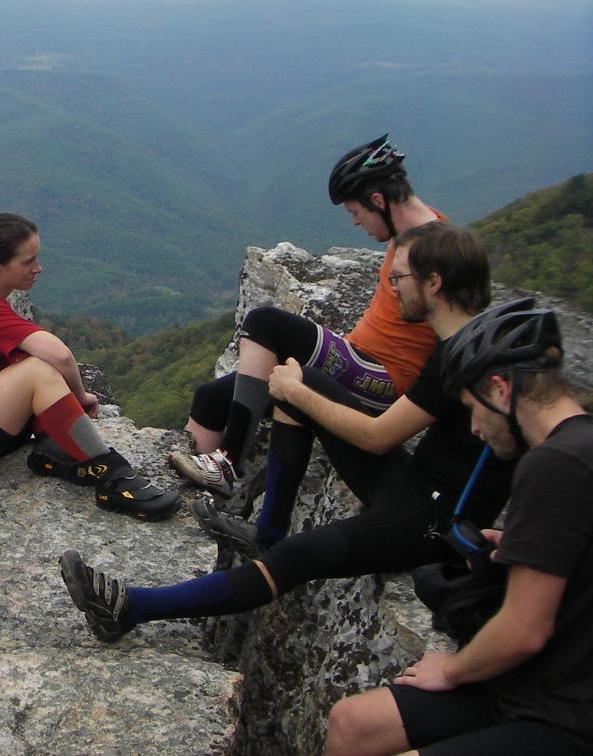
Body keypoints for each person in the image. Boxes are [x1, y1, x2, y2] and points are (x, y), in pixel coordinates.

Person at [60, 223, 513, 641]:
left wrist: (297, 394)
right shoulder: (468, 342)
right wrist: (297, 389)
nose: (392, 291)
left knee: (297, 557)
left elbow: (379, 437)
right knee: (300, 379)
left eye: (399, 280)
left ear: (434, 282)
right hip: (419, 483)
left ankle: (132, 608)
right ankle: (269, 529)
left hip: (433, 518)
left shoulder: (461, 358)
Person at [325, 300, 592, 755]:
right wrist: (518, 545)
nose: (474, 427)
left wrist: (451, 670)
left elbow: (524, 629)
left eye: (472, 407)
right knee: (352, 723)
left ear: (499, 387)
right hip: (538, 680)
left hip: (566, 709)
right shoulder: (577, 447)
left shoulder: (553, 464)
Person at [176, 133, 445, 494]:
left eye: (355, 211)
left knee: (264, 322)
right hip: (361, 360)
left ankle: (226, 462)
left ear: (377, 200)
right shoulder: (413, 234)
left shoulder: (433, 248)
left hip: (383, 377)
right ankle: (197, 493)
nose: (355, 223)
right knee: (212, 397)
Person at [0, 212, 179, 521]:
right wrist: (81, 397)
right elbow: (60, 356)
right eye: (27, 261)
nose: (38, 268)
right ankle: (113, 474)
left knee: (24, 360)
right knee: (38, 369)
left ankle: (56, 450)